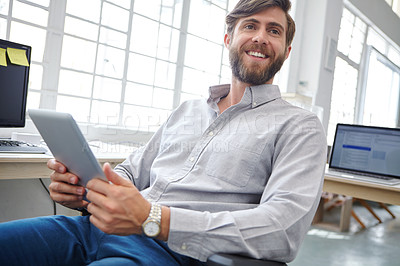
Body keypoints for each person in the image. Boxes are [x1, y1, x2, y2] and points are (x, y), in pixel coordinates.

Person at [0, 0, 327, 265]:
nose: (261, 37)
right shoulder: (187, 111)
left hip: (173, 253)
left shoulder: (299, 127)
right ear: (229, 39)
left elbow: (282, 230)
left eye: (274, 30)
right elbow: (132, 170)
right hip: (94, 230)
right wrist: (88, 188)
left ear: (286, 50)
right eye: (250, 26)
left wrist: (154, 218)